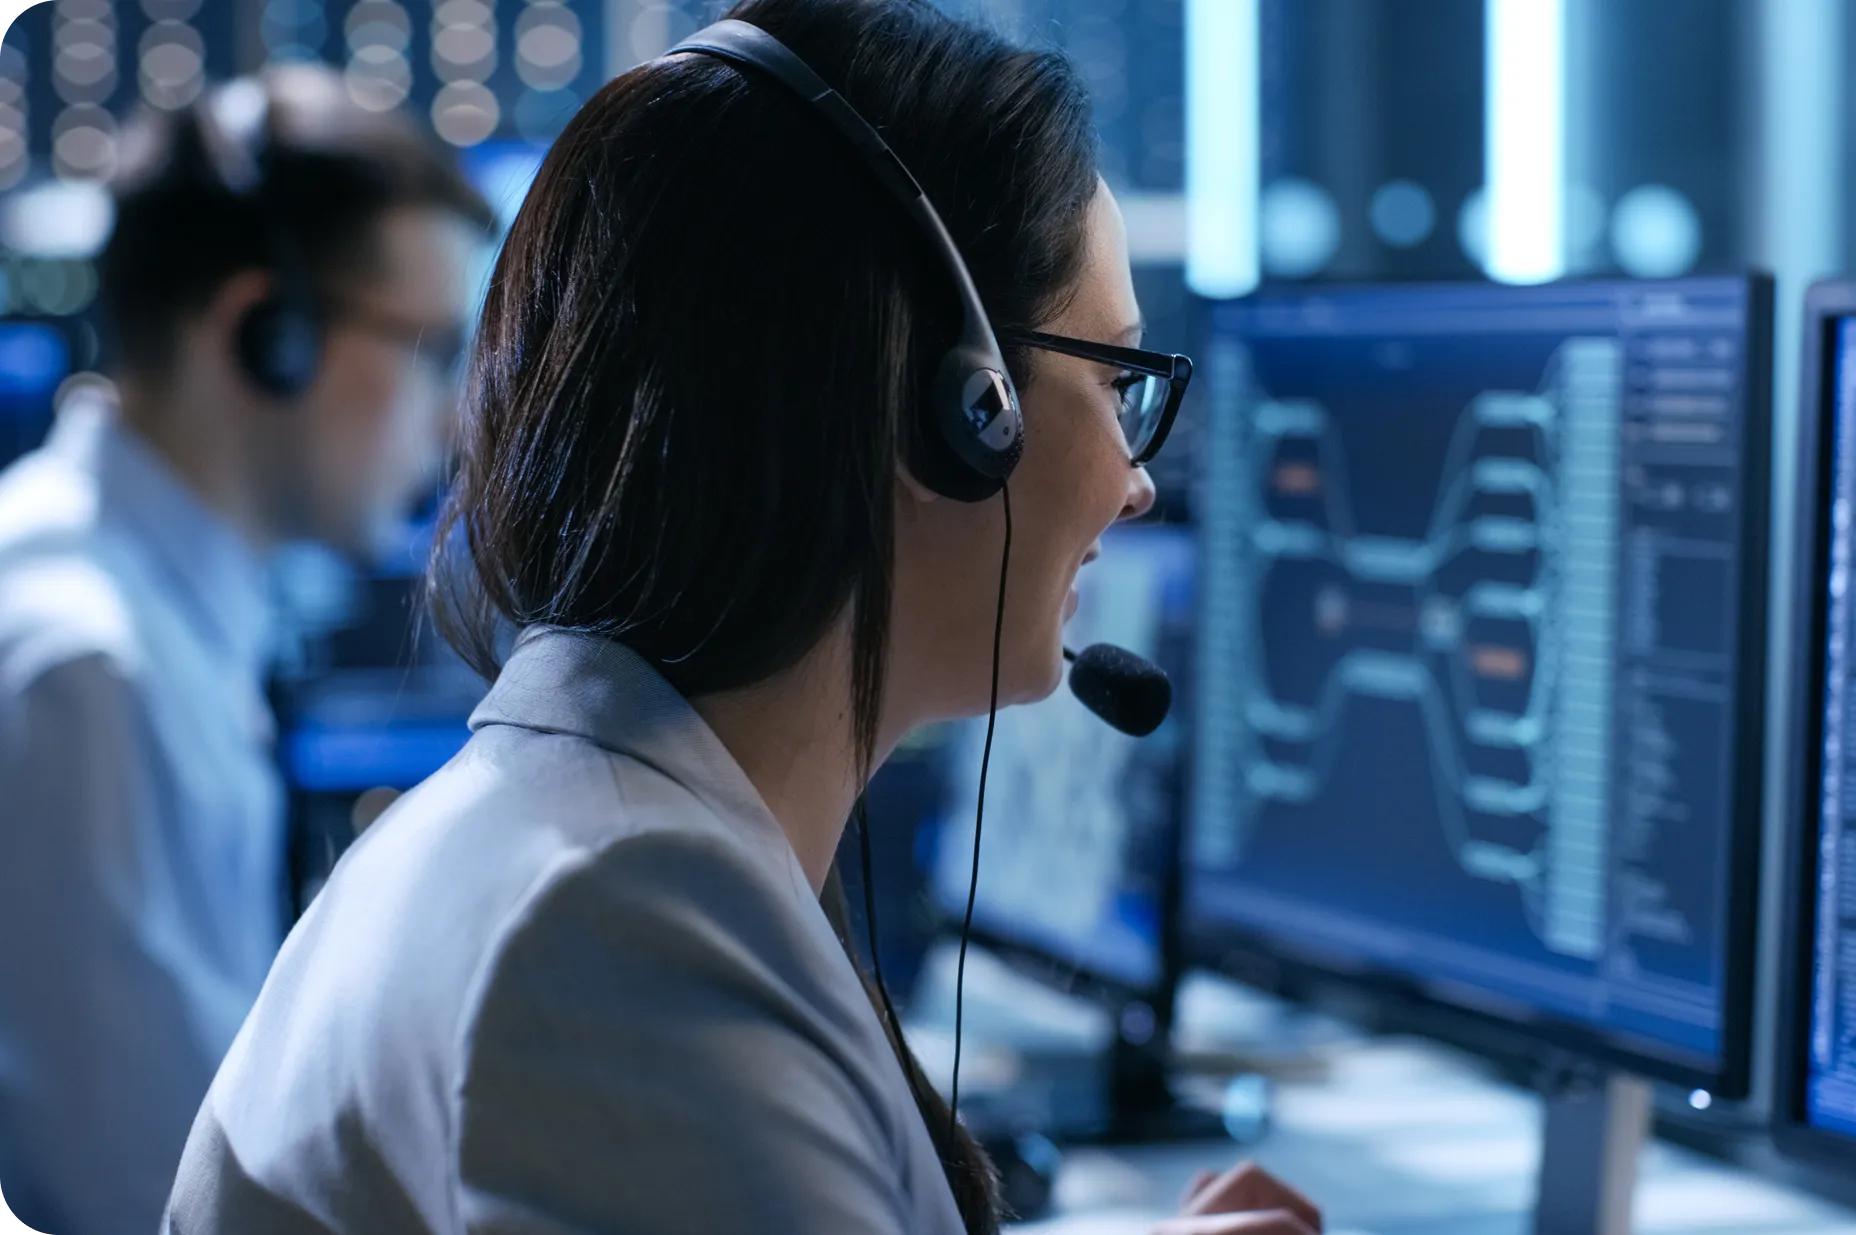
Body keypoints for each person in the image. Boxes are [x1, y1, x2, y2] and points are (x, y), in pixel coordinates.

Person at [164, 3, 1319, 1233]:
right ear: (957, 410)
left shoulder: (583, 847)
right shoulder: (621, 943)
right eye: (1114, 379)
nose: (1137, 480)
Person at [0, 64, 496, 1235]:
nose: (449, 418)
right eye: (429, 350)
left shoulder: (140, 612)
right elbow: (168, 1200)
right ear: (264, 336)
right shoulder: (89, 677)